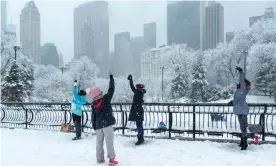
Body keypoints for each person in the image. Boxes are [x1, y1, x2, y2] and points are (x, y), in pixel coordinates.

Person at [87, 71, 118, 165]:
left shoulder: (93, 104)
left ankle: (100, 158)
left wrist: (95, 126)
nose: (102, 92)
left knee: (99, 142)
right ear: (99, 94)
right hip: (107, 123)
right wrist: (111, 77)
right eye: (100, 92)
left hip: (98, 125)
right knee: (109, 142)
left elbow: (93, 116)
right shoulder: (106, 99)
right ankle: (111, 159)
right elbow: (111, 89)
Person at [228, 66, 252, 150]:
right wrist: (232, 102)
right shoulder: (240, 91)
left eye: (239, 83)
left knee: (243, 127)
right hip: (240, 110)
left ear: (243, 84)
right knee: (242, 127)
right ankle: (243, 142)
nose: (237, 84)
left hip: (242, 111)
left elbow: (242, 79)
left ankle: (245, 143)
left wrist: (241, 71)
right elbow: (238, 100)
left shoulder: (242, 88)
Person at [127, 74, 146, 145]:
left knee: (139, 125)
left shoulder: (138, 92)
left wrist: (131, 80)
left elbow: (132, 87)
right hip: (139, 110)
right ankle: (141, 137)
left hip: (137, 110)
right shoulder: (141, 92)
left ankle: (140, 139)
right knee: (140, 124)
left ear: (138, 88)